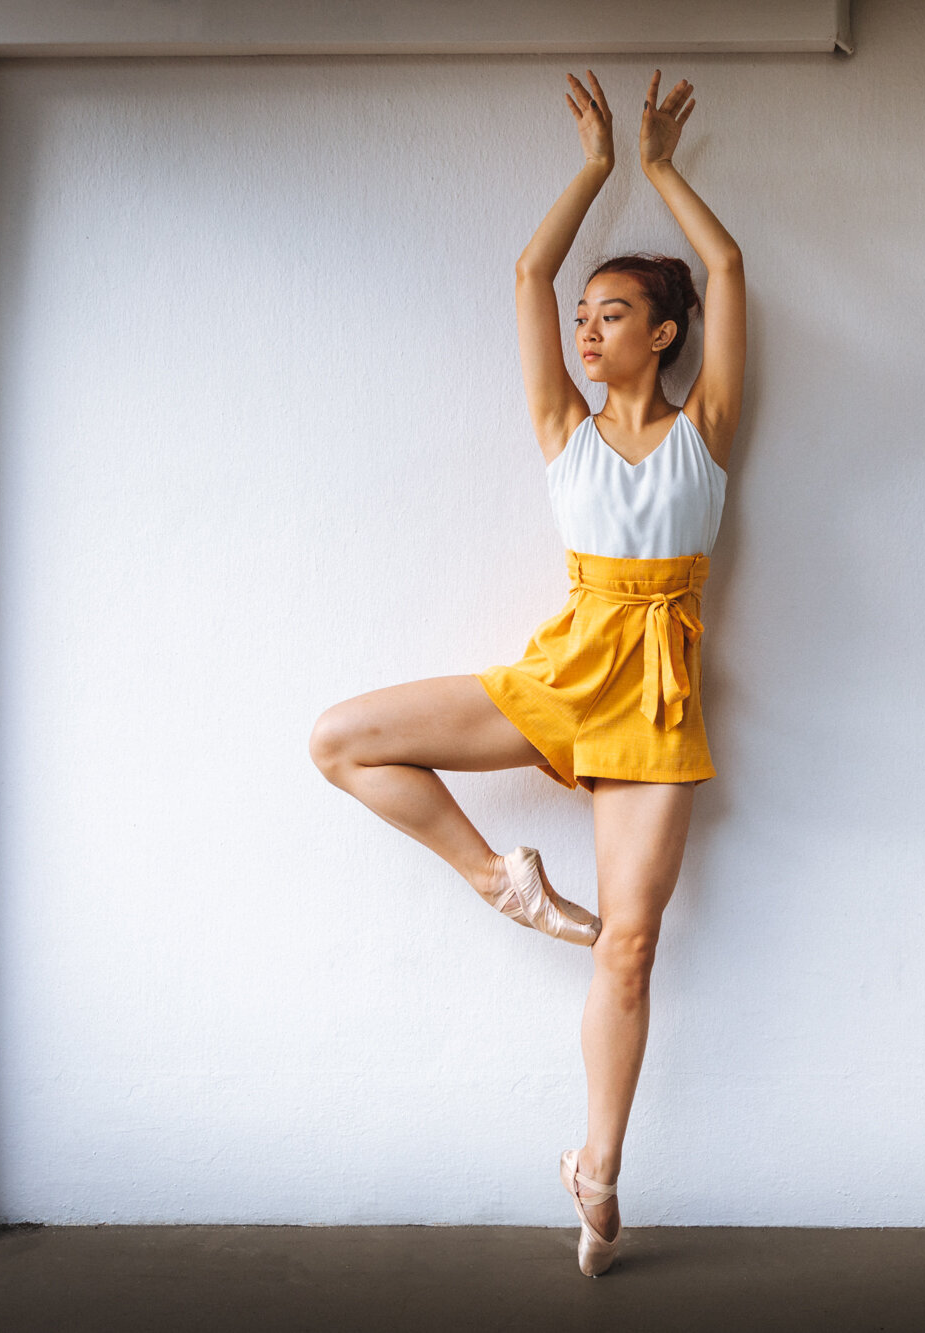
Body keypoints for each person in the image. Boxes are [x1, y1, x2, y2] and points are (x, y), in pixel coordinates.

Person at [308, 66, 744, 1278]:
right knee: (342, 737)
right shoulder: (564, 428)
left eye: (613, 312)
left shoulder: (706, 425)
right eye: (584, 315)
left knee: (630, 945)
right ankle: (503, 880)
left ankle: (598, 1176)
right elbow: (524, 277)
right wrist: (594, 168)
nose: (585, 326)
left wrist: (661, 171)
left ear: (663, 333)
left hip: (655, 699)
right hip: (568, 670)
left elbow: (732, 275)